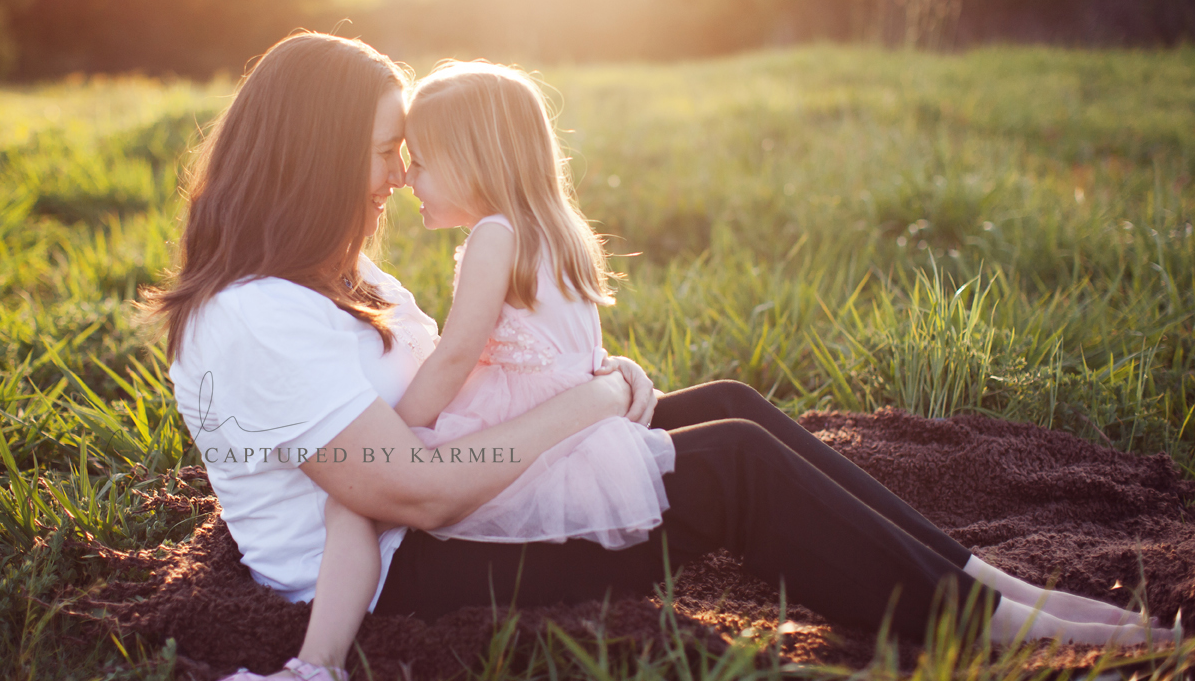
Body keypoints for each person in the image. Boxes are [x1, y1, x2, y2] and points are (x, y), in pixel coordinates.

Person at [155, 34, 1171, 681]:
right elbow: (410, 493)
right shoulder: (255, 317)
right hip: (402, 567)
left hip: (463, 500)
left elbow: (463, 381)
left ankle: (979, 576)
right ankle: (979, 626)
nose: (398, 173)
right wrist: (591, 402)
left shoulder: (338, 276)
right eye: (382, 150)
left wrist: (580, 388)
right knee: (729, 464)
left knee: (725, 399)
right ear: (317, 155)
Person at [294, 62, 678, 681]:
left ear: (474, 161)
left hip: (521, 423)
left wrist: (400, 429)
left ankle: (320, 661)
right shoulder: (557, 227)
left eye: (420, 162)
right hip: (575, 408)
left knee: (350, 506)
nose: (406, 177)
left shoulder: (493, 237)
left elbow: (457, 354)